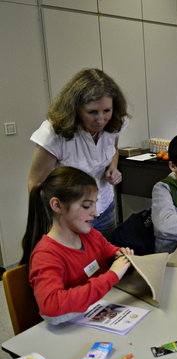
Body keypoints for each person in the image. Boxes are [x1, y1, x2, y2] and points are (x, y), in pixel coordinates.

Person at [21, 166, 134, 325]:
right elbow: (51, 307)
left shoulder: (90, 235)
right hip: (70, 327)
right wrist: (112, 275)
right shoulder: (46, 255)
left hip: (97, 312)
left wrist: (121, 254)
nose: (95, 213)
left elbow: (109, 251)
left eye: (95, 204)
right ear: (57, 206)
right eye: (87, 206)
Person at [28, 68, 130, 237]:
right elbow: (36, 183)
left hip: (104, 206)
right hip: (70, 216)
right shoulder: (53, 134)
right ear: (75, 109)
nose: (100, 120)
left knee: (105, 258)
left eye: (106, 111)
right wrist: (50, 223)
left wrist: (112, 167)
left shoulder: (115, 122)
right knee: (79, 261)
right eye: (92, 112)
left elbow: (113, 149)